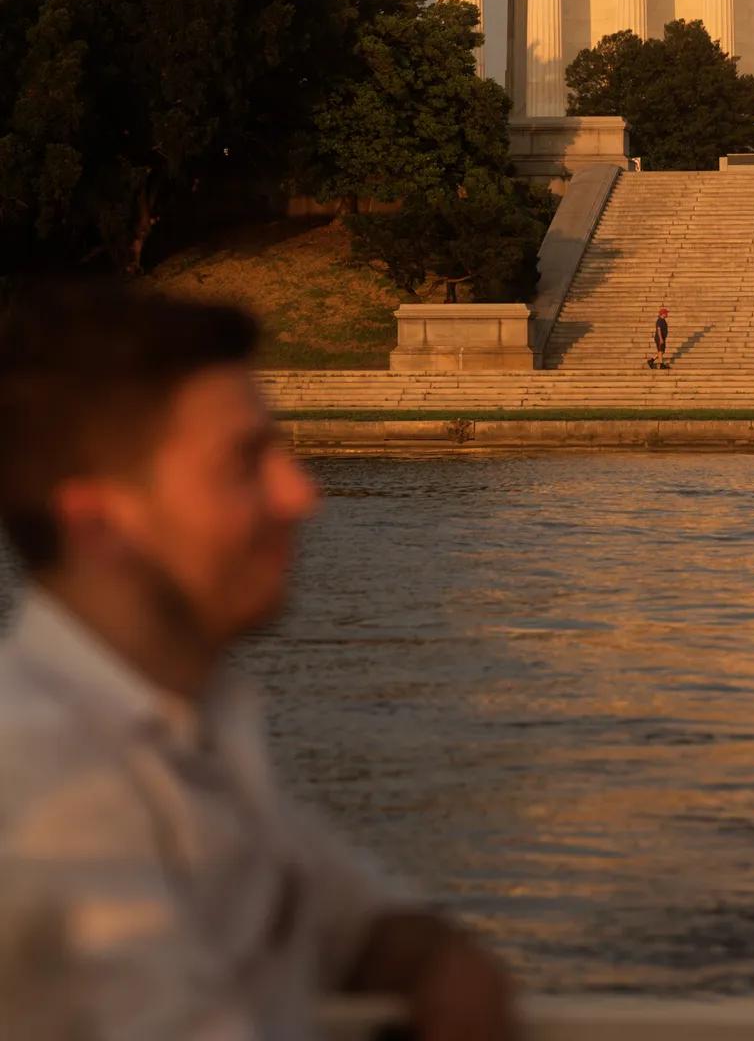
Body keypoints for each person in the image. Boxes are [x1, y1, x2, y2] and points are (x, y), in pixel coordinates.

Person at [0, 282, 516, 1041]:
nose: (300, 494)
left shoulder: (184, 727)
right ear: (99, 524)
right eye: (246, 464)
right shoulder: (44, 773)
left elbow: (356, 918)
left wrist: (442, 962)